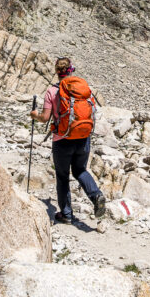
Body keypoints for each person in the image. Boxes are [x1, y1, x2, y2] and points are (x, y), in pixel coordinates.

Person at [30, 57, 107, 223]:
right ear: (71, 70)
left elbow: (45, 118)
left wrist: (34, 115)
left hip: (62, 139)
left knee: (63, 176)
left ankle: (66, 214)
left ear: (57, 72)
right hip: (83, 137)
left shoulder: (52, 91)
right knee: (80, 170)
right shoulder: (83, 89)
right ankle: (96, 195)